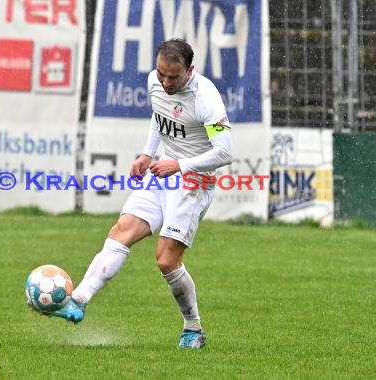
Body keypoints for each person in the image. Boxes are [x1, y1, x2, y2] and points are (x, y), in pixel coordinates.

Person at [39, 38, 232, 349]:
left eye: (174, 76)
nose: (166, 82)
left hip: (192, 182)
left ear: (190, 70)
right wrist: (146, 154)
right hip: (161, 174)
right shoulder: (155, 81)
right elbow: (160, 115)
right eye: (161, 74)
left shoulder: (206, 98)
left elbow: (224, 153)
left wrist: (179, 165)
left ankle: (193, 328)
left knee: (166, 260)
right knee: (121, 232)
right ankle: (79, 299)